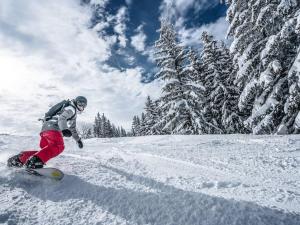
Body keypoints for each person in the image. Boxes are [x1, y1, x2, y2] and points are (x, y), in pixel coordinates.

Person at [7, 96, 87, 169]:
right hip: (54, 128)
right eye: (80, 103)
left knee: (45, 151)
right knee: (58, 147)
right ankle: (34, 163)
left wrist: (78, 140)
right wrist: (64, 129)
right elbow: (62, 118)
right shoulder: (71, 109)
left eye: (83, 105)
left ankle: (20, 159)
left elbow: (72, 129)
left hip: (45, 130)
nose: (81, 106)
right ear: (76, 102)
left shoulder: (73, 114)